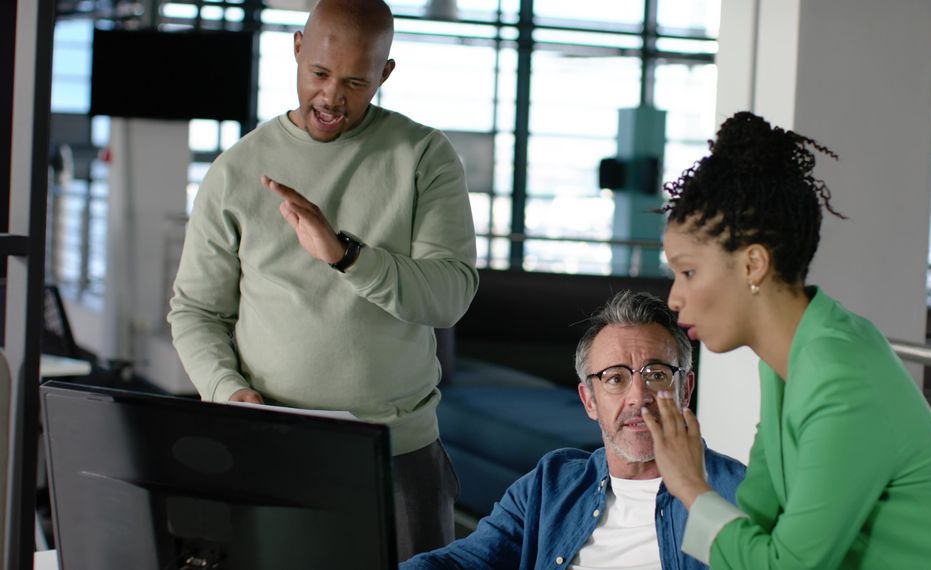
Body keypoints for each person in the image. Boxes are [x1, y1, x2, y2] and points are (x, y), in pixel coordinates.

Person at [642, 111, 931, 569]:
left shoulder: (838, 373)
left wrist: (690, 484)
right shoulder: (789, 361)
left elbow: (786, 566)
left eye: (688, 272)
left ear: (752, 265)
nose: (674, 297)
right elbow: (759, 514)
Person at [167, 0, 478, 559]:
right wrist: (225, 392)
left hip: (398, 455)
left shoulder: (425, 156)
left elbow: (449, 296)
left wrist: (346, 256)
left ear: (385, 74)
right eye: (319, 73)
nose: (332, 97)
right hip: (271, 447)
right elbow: (196, 311)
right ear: (295, 49)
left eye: (356, 82)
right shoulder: (235, 171)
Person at [402, 291, 746, 570]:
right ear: (590, 400)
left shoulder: (738, 492)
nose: (638, 397)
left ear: (685, 389)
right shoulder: (552, 483)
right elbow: (465, 562)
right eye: (615, 379)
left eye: (656, 375)